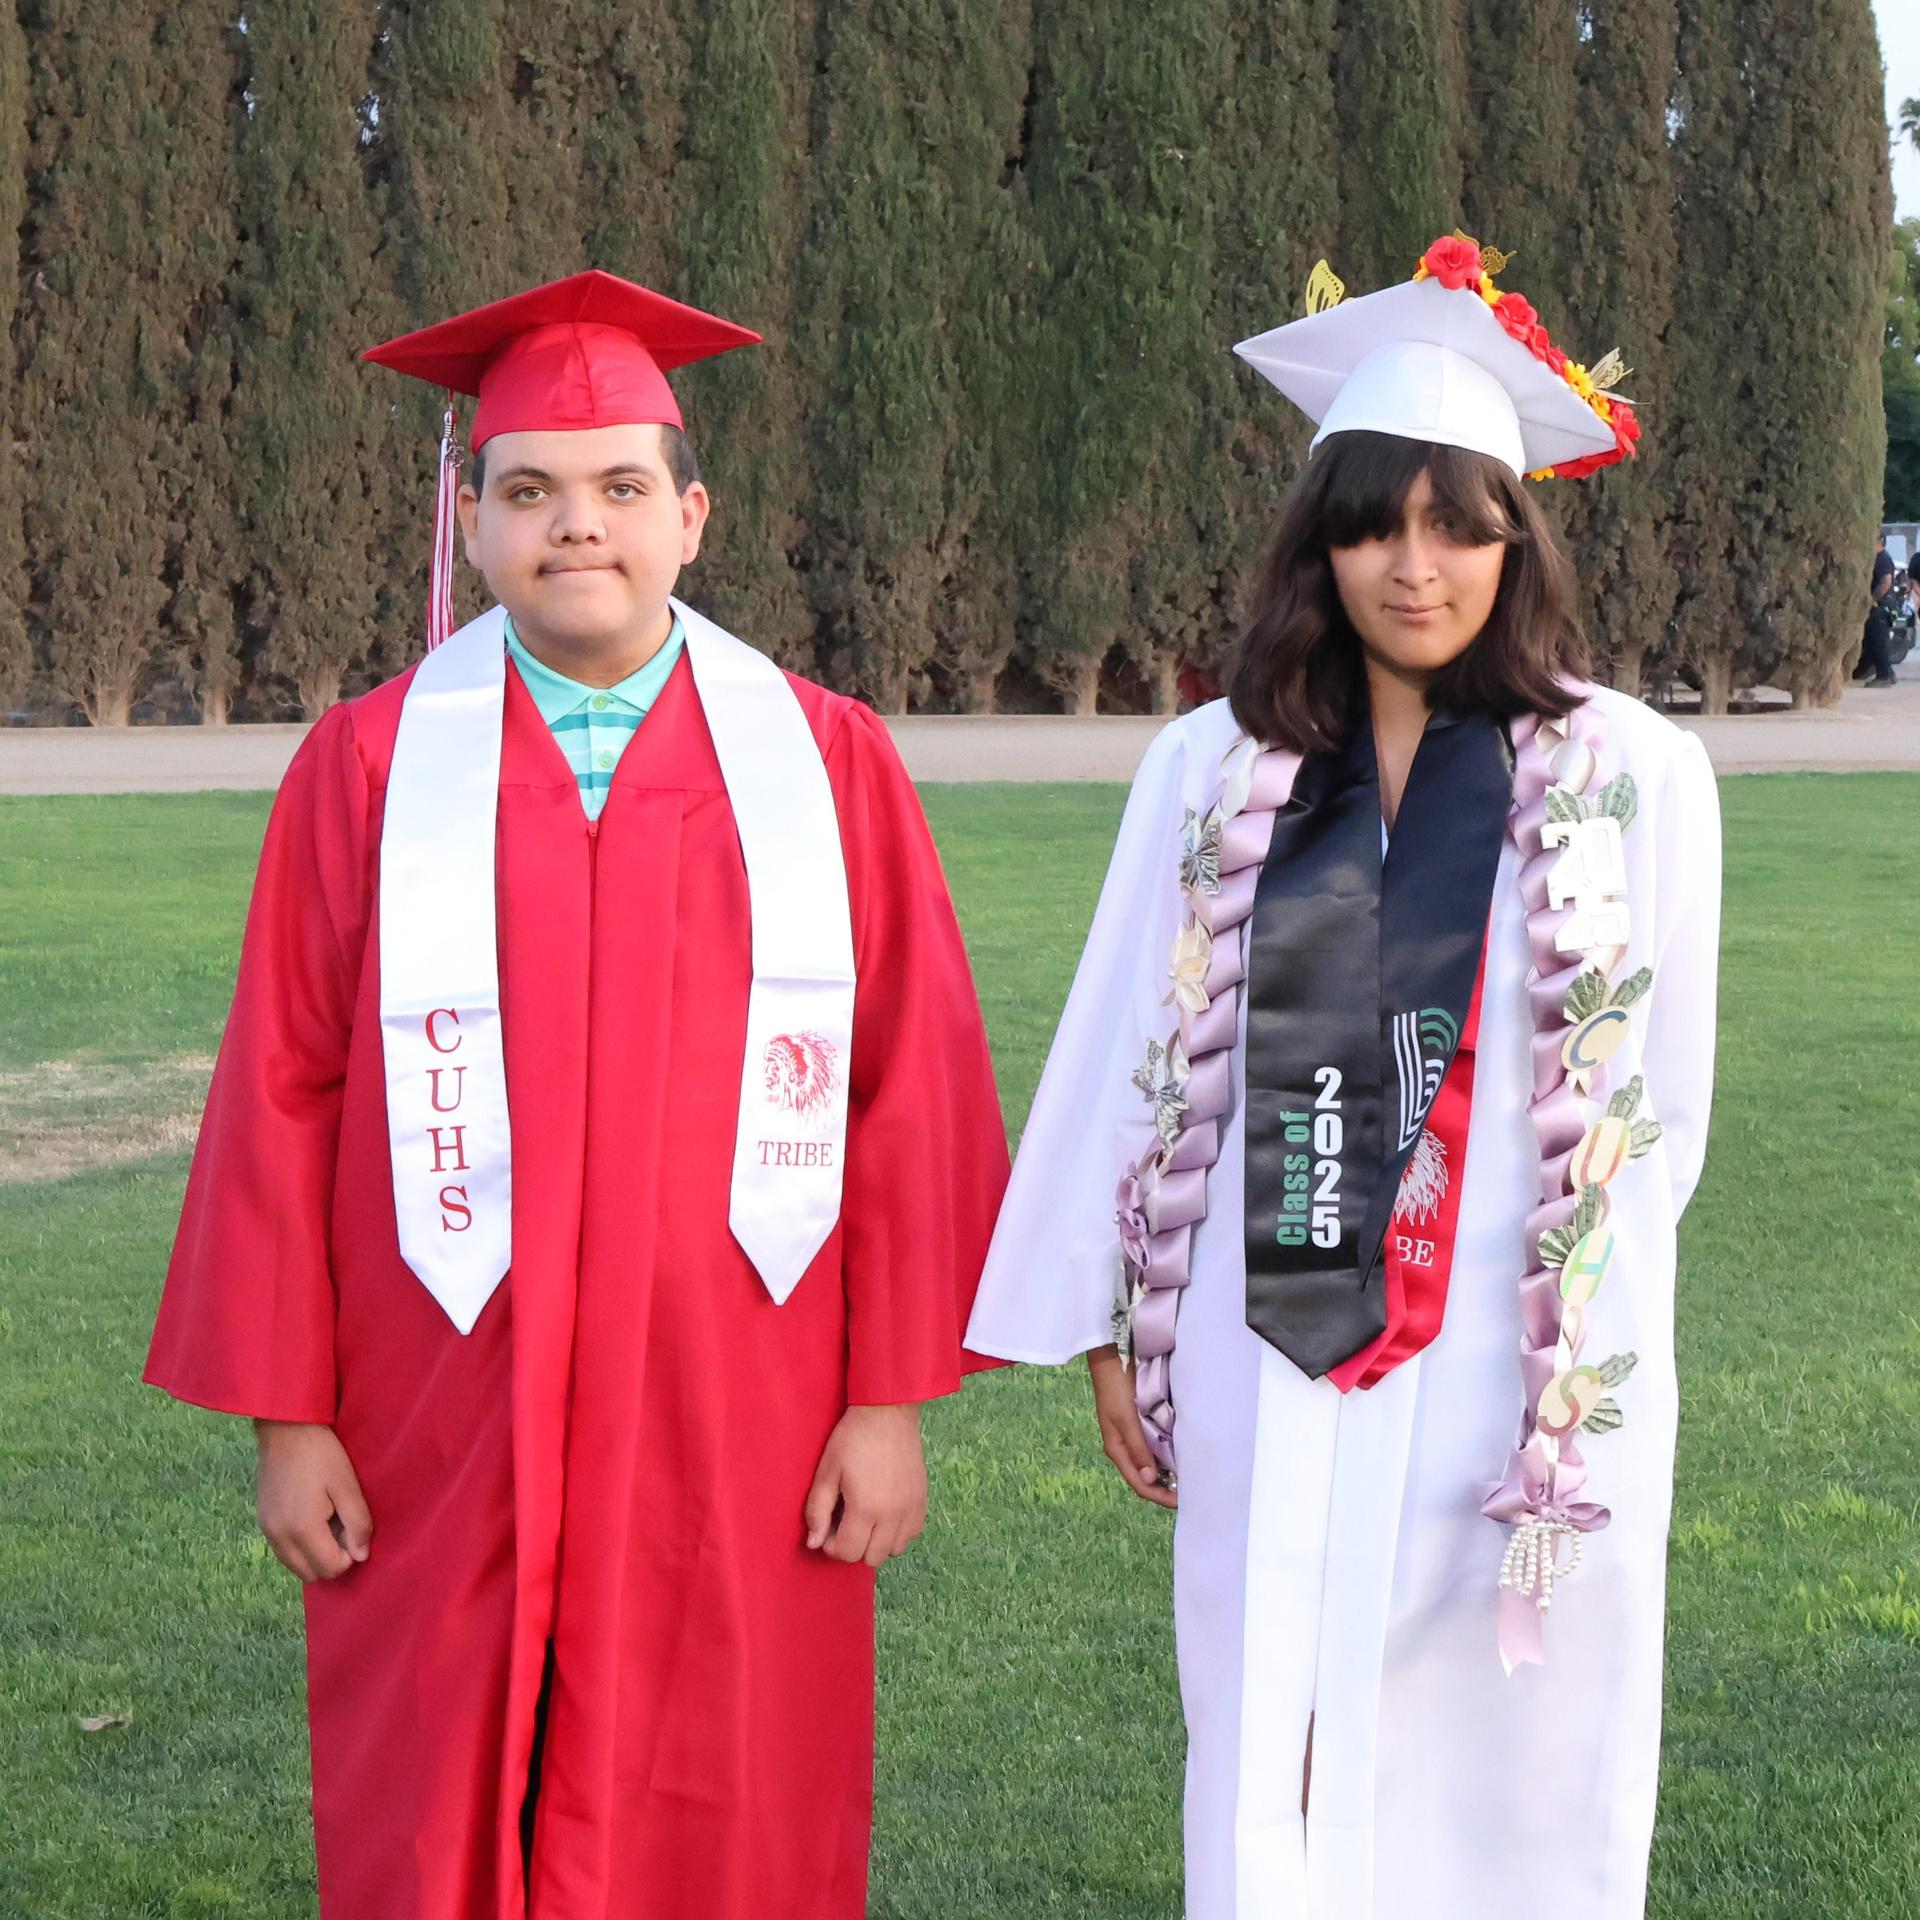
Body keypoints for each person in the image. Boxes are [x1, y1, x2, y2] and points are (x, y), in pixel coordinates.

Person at [145, 271, 1010, 1920]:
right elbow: (281, 1090)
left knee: (729, 1775)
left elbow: (910, 1095)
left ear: (693, 515)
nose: (576, 526)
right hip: (436, 1399)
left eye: (621, 488)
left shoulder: (822, 763)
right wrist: (291, 1416)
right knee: (441, 1770)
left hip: (742, 1398)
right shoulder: (376, 765)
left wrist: (889, 1401)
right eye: (529, 491)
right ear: (470, 523)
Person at [967, 234, 1721, 1920]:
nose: (1415, 562)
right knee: (1270, 1709)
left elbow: (1659, 1095)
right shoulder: (1219, 763)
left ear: (1517, 538)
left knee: (1514, 1735)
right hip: (1264, 1325)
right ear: (1319, 541)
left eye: (1460, 520)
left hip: (1511, 1356)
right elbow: (1119, 1043)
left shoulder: (1632, 773)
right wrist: (1113, 1321)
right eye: (1373, 520)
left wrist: (1573, 1318)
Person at [1856, 534, 1899, 685]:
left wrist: (1872, 600)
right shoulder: (1878, 558)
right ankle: (1888, 673)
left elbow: (1885, 582)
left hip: (1880, 606)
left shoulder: (1882, 559)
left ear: (1880, 541)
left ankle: (1884, 676)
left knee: (1878, 641)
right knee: (1873, 641)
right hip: (1881, 605)